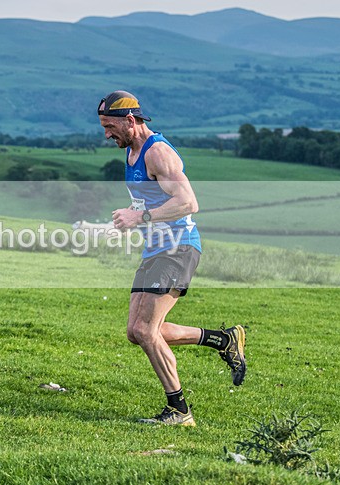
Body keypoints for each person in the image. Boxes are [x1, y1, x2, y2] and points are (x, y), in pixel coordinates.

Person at [97, 90, 246, 426]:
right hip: (155, 249)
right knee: (136, 332)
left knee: (147, 331)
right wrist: (129, 219)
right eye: (104, 127)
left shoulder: (158, 153)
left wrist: (141, 217)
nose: (107, 134)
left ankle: (179, 411)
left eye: (110, 127)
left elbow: (188, 202)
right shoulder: (133, 151)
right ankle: (223, 339)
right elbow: (150, 199)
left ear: (130, 121)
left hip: (177, 248)